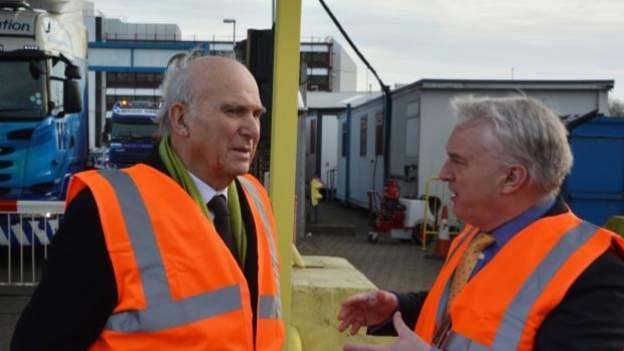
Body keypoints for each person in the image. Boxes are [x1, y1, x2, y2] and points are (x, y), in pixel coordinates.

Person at [11, 54, 284, 350]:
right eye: (234, 111)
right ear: (180, 119)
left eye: (256, 114)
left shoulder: (255, 198)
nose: (252, 130)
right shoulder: (106, 210)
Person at [337, 95, 624, 351]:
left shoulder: (595, 275)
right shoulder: (478, 236)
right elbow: (469, 313)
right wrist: (399, 308)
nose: (443, 173)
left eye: (458, 161)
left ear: (512, 177)